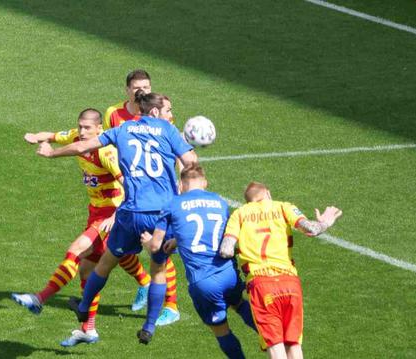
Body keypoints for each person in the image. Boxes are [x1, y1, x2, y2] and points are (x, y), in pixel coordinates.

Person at [35, 91, 197, 344]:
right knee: (157, 270)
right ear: (154, 112)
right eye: (168, 110)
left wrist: (51, 153)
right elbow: (190, 161)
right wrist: (183, 190)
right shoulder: (168, 131)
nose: (171, 115)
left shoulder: (122, 130)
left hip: (130, 211)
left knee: (105, 263)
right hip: (162, 214)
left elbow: (81, 146)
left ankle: (84, 305)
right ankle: (150, 326)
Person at [12, 108, 151, 346]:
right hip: (95, 213)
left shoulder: (107, 152)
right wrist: (37, 136)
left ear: (100, 129)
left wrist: (116, 215)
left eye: (88, 128)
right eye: (81, 127)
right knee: (87, 272)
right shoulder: (78, 136)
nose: (83, 132)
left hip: (111, 216)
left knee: (76, 251)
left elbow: (133, 189)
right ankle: (89, 329)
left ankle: (39, 298)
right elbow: (55, 135)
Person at [141, 164, 255, 358]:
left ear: (180, 185)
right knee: (240, 304)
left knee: (222, 330)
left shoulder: (172, 204)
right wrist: (178, 240)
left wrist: (147, 242)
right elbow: (220, 233)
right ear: (205, 183)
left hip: (204, 283)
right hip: (229, 274)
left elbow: (155, 247)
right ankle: (277, 343)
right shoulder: (220, 202)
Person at [219, 182, 342, 359]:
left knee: (275, 346)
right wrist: (324, 224)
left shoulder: (239, 214)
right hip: (290, 282)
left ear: (248, 201)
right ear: (268, 193)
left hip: (262, 285)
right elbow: (312, 229)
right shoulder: (284, 207)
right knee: (293, 343)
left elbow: (226, 250)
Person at [103, 69, 182, 325]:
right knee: (114, 245)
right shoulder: (113, 114)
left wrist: (182, 181)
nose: (142, 92)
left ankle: (171, 305)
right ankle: (145, 282)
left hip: (156, 194)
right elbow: (107, 148)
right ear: (127, 90)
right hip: (125, 191)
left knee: (158, 248)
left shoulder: (159, 115)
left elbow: (178, 147)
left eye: (146, 87)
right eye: (137, 88)